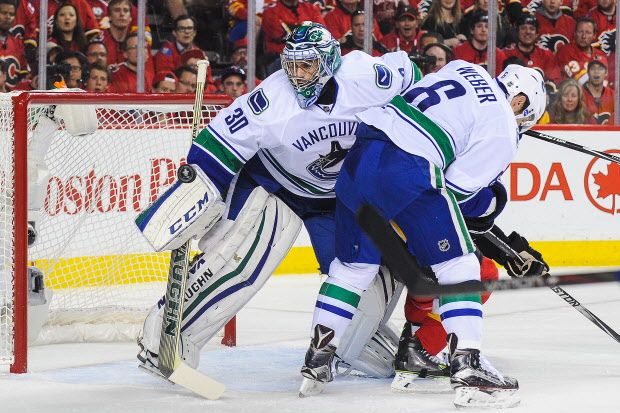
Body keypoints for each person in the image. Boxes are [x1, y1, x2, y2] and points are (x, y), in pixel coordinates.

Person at [135, 21, 422, 385]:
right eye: (292, 65)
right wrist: (199, 187)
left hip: (339, 195)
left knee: (372, 265)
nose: (298, 75)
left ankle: (354, 340)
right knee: (238, 261)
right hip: (275, 186)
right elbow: (218, 144)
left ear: (330, 61)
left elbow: (412, 76)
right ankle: (166, 336)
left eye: (307, 65)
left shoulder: (367, 76)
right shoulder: (272, 100)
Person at [298, 61, 546, 409]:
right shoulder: (504, 128)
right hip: (406, 169)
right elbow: (457, 197)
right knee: (460, 266)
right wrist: (495, 200)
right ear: (519, 102)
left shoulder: (464, 67)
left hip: (361, 156)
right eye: (525, 116)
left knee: (352, 269)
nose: (521, 124)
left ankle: (317, 360)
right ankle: (468, 368)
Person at [555, 17, 607, 83]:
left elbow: (605, 82)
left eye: (588, 32)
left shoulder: (601, 55)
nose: (584, 36)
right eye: (580, 32)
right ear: (575, 33)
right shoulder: (565, 52)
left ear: (594, 36)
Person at [0, 0, 28, 90]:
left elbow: (23, 76)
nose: (8, 17)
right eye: (3, 13)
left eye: (11, 14)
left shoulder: (18, 43)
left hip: (11, 100)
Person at [582, 59, 615, 124]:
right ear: (588, 73)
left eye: (600, 69)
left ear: (606, 73)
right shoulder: (579, 94)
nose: (596, 71)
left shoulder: (613, 95)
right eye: (592, 69)